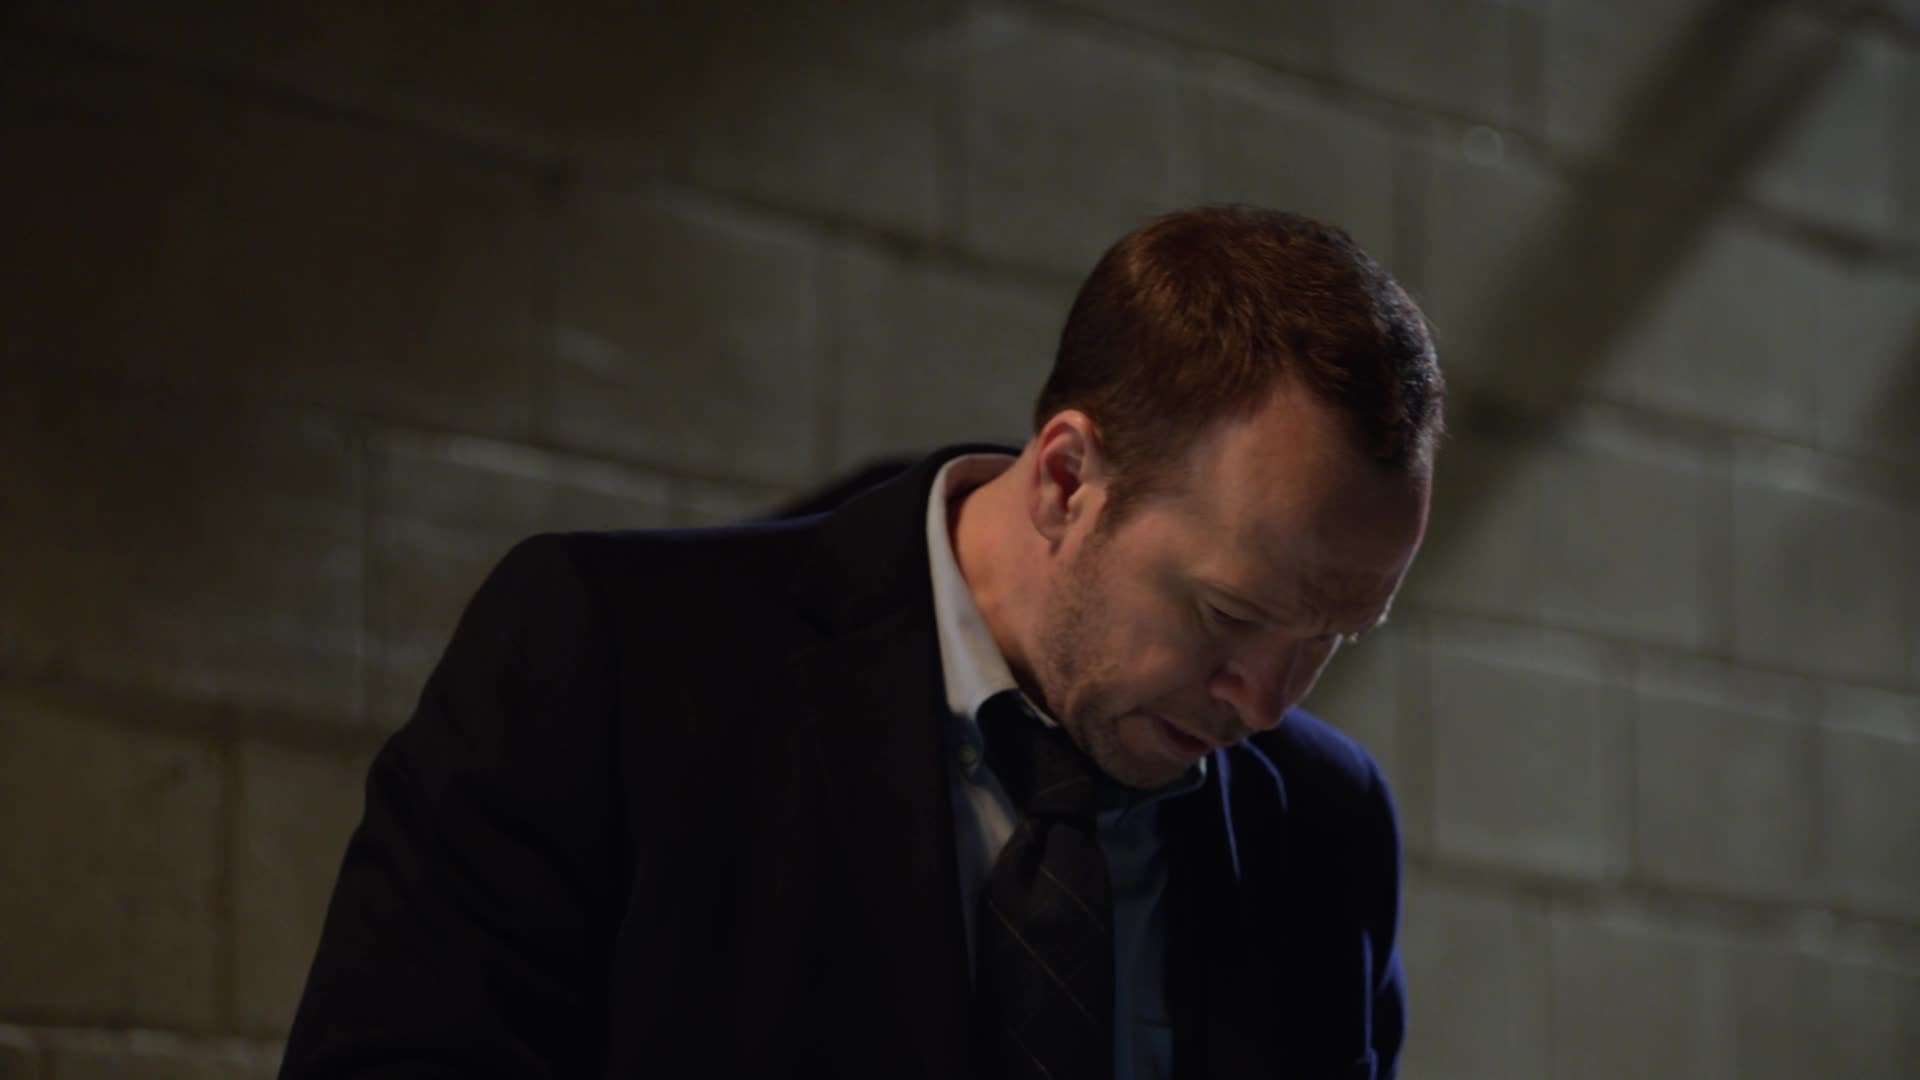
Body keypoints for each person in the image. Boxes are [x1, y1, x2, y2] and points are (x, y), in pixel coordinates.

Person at [280, 205, 1443, 1080]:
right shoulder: (613, 659)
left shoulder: (1325, 822)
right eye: (1230, 615)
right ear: (1066, 479)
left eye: (1331, 636)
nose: (1266, 702)